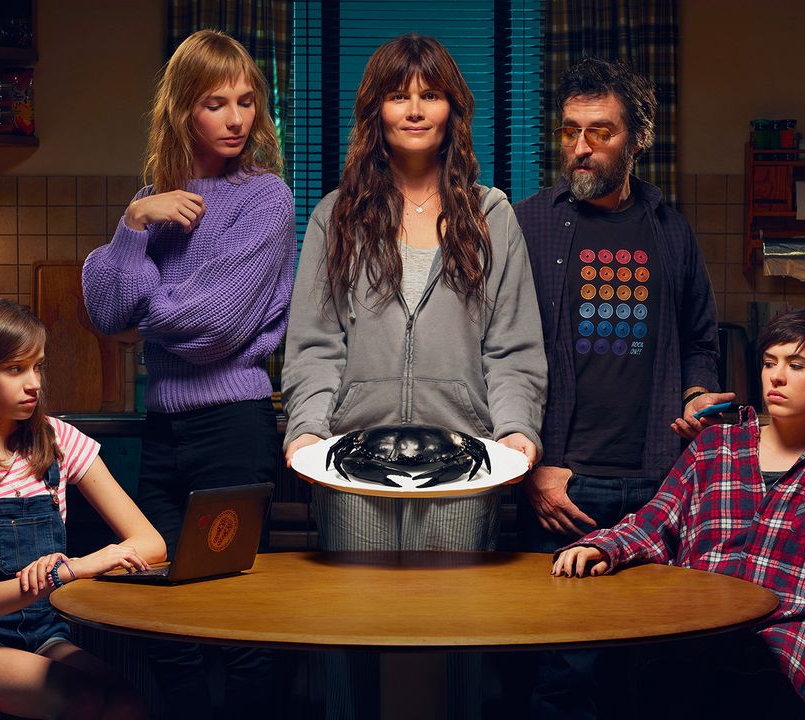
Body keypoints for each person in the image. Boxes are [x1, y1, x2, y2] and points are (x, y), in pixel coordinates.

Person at [280, 34, 546, 719]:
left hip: (464, 465)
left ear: (454, 108)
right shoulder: (335, 215)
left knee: (453, 646)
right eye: (400, 94)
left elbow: (513, 348)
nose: (416, 108)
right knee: (354, 642)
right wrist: (307, 431)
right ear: (377, 111)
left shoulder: (492, 217)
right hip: (350, 465)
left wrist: (516, 431)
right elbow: (313, 346)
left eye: (431, 94)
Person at [552, 308, 805, 719]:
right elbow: (656, 519)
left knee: (734, 676)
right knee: (625, 665)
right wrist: (606, 546)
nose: (776, 377)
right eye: (769, 363)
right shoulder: (716, 447)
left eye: (796, 365)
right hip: (700, 627)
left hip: (790, 639)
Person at [81, 29, 295, 719]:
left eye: (245, 102)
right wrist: (133, 222)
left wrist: (145, 297)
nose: (236, 118)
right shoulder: (154, 201)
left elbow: (212, 328)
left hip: (233, 429)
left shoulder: (267, 200)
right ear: (181, 110)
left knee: (237, 621)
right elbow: (107, 310)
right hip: (164, 431)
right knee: (161, 612)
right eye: (215, 103)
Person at [511, 56, 729, 720]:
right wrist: (534, 469)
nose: (581, 147)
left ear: (637, 138)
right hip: (563, 487)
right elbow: (497, 359)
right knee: (561, 673)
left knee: (649, 673)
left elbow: (700, 341)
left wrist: (698, 395)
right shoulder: (528, 225)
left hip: (657, 486)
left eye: (600, 131)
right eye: (571, 130)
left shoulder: (670, 230)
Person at [0, 298, 166, 718]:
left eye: (37, 366)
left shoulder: (56, 440)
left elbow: (151, 543)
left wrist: (90, 563)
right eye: (14, 369)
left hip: (44, 634)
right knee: (80, 698)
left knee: (127, 702)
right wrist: (69, 571)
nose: (34, 384)